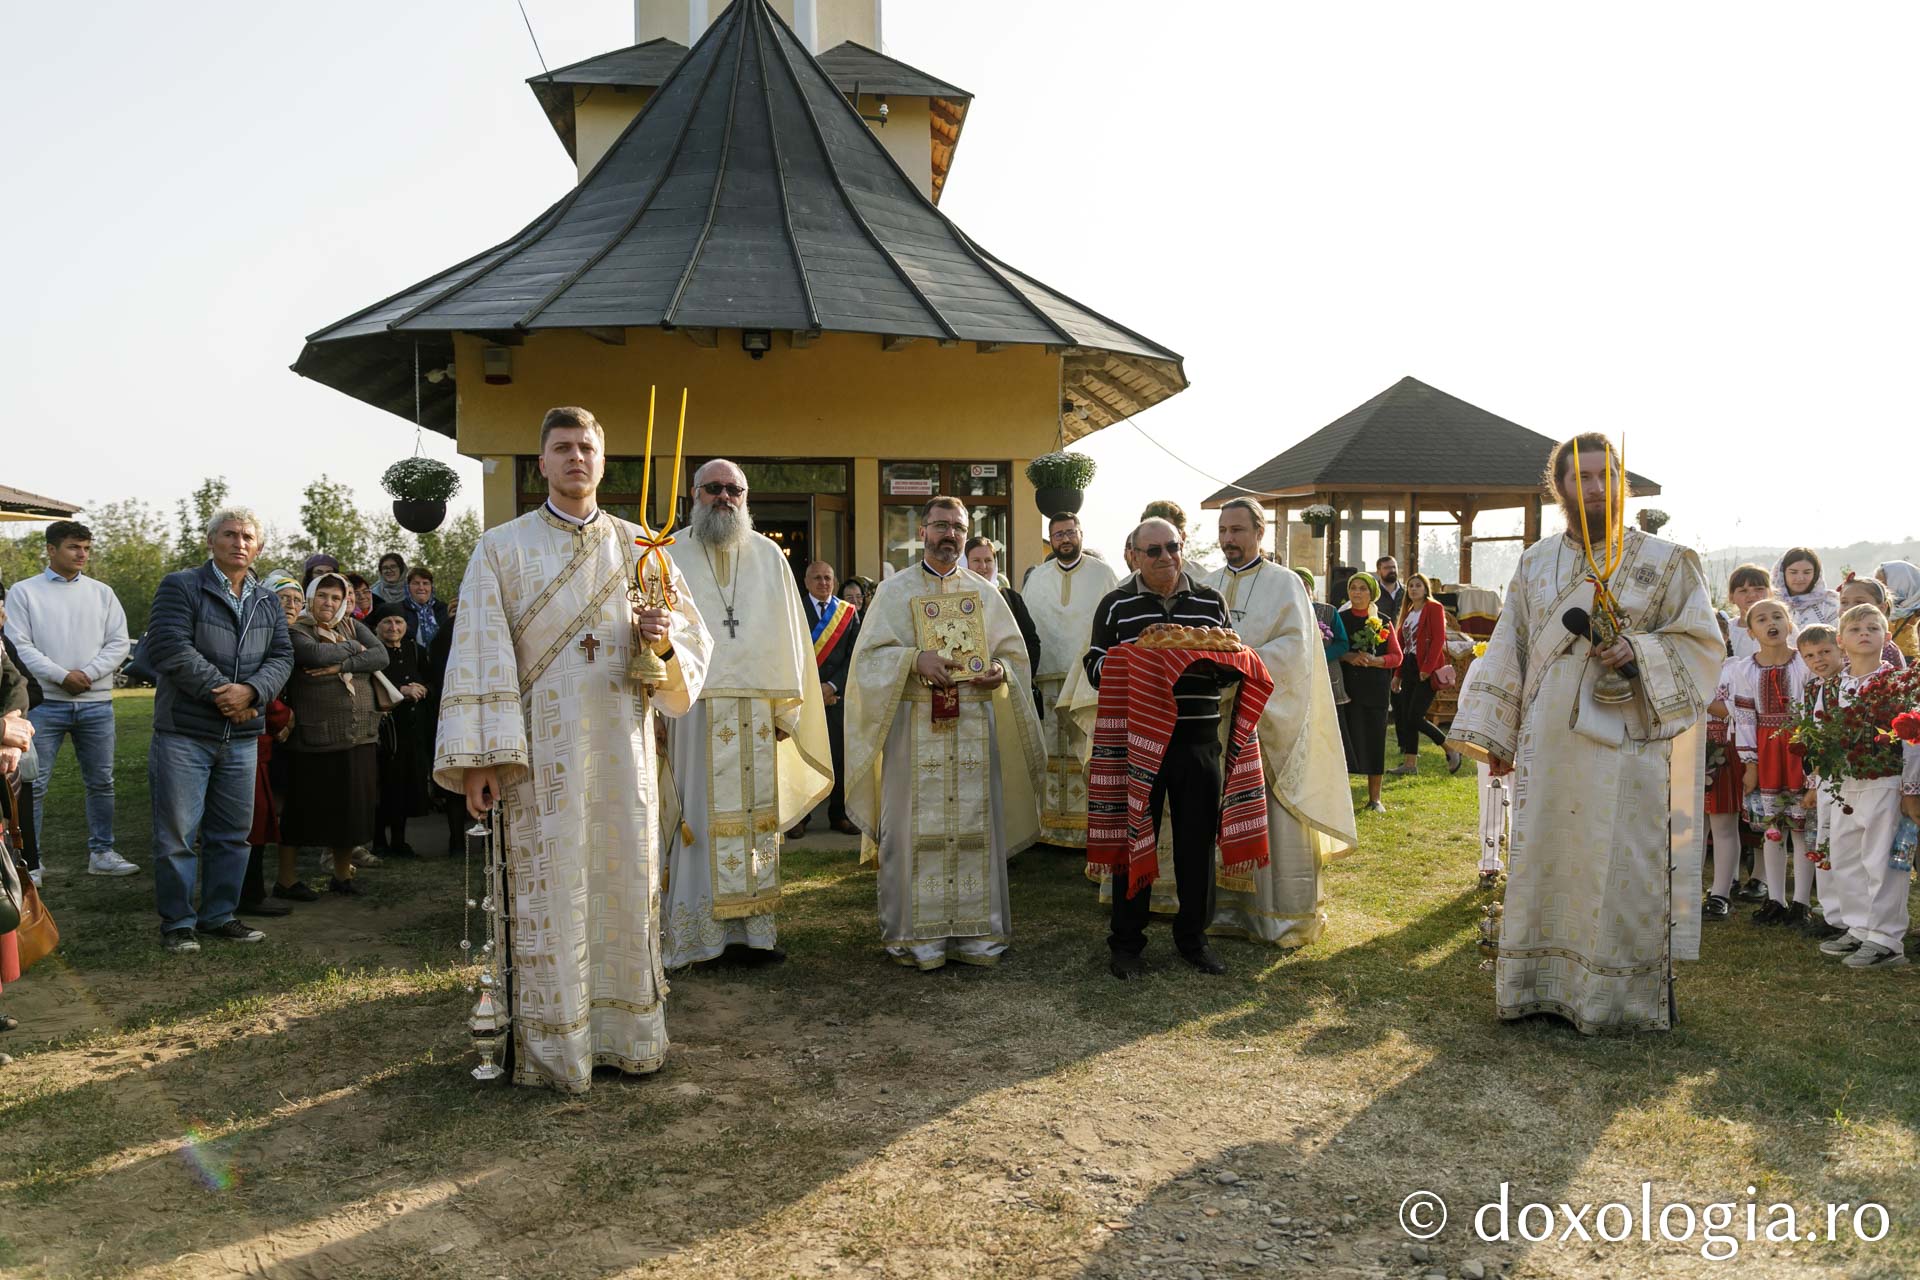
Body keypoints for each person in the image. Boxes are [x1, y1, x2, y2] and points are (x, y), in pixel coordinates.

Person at [434, 406, 712, 1092]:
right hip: (540, 763)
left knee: (624, 888)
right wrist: (481, 760)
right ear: (542, 463)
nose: (576, 458)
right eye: (562, 448)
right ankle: (555, 1046)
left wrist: (661, 636)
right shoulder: (501, 549)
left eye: (587, 446)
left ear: (603, 458)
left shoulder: (642, 547)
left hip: (622, 754)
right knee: (552, 898)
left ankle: (626, 1036)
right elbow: (480, 657)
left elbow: (690, 651)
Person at [1449, 433, 1721, 1033]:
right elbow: (1509, 649)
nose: (1594, 488)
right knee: (1546, 851)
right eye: (1580, 478)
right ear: (1561, 487)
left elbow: (1702, 643)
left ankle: (1617, 998)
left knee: (1620, 855)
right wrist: (1496, 736)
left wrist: (1641, 651)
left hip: (1625, 738)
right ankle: (1536, 989)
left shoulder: (1668, 561)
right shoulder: (1535, 561)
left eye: (1604, 476)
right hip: (1548, 741)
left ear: (1620, 481)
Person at [842, 496, 1043, 970]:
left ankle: (977, 935)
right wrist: (914, 660)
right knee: (913, 830)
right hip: (914, 730)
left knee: (976, 828)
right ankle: (917, 939)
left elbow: (1014, 658)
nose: (948, 534)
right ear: (923, 532)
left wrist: (998, 671)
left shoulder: (985, 593)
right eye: (939, 526)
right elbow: (866, 661)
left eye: (957, 526)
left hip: (974, 726)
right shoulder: (895, 593)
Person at [661, 461, 831, 965]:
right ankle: (699, 939)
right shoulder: (668, 553)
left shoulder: (769, 555)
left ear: (746, 496)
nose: (724, 497)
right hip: (694, 706)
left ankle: (753, 936)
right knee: (696, 815)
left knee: (757, 821)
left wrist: (786, 708)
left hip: (756, 708)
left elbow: (788, 634)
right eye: (713, 488)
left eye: (734, 489)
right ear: (695, 494)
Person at [1079, 517, 1238, 977]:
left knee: (1196, 844)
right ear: (1134, 555)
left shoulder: (1210, 602)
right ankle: (1126, 944)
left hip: (1198, 739)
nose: (1165, 556)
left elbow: (1231, 663)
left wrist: (1213, 666)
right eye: (1154, 550)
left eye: (1172, 546)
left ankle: (1194, 939)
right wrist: (1136, 664)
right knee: (1136, 842)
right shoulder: (1115, 605)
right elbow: (1093, 667)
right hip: (1140, 741)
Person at [1200, 500, 1356, 947]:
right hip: (1215, 722)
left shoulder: (1285, 584)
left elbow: (1297, 651)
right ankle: (1219, 911)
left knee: (1275, 814)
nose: (1229, 539)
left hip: (1264, 725)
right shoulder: (1205, 584)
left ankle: (1276, 917)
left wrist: (1243, 664)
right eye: (1223, 530)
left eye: (1237, 530)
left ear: (1259, 532)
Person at [145, 508, 294, 954]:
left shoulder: (267, 599)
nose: (239, 542)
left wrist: (251, 691)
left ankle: (219, 915)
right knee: (177, 835)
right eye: (229, 534)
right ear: (211, 541)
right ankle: (177, 923)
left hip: (243, 736)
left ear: (259, 548)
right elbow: (168, 646)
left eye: (248, 536)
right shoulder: (181, 585)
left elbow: (282, 657)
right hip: (185, 732)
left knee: (232, 833)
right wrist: (220, 693)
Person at [3, 520, 135, 877]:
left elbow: (119, 642)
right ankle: (31, 860)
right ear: (51, 549)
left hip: (97, 703)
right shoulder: (24, 591)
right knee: (34, 783)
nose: (82, 554)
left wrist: (89, 674)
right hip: (46, 702)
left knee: (101, 781)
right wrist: (62, 676)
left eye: (87, 548)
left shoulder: (103, 593)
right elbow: (19, 646)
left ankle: (102, 853)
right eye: (74, 547)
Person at [281, 573, 388, 895]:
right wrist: (355, 651)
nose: (329, 603)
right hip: (316, 739)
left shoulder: (351, 626)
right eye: (323, 596)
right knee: (303, 811)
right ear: (311, 598)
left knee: (351, 810)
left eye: (336, 598)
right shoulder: (296, 629)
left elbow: (381, 656)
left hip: (359, 735)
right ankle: (286, 881)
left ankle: (342, 877)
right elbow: (314, 655)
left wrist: (342, 664)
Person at [1817, 604, 1911, 969]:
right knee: (1846, 857)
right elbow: (1819, 733)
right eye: (1855, 629)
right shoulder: (1832, 686)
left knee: (1881, 860)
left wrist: (1911, 788)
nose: (1864, 633)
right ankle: (1860, 926)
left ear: (1887, 638)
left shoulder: (1898, 683)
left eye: (1873, 628)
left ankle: (1887, 939)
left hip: (1885, 780)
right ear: (1841, 641)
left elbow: (1911, 737)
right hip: (1843, 784)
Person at [1020, 514, 1118, 850]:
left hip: (1085, 680)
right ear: (1051, 538)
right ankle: (1048, 828)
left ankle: (1089, 828)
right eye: (1058, 533)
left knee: (1084, 747)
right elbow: (1031, 628)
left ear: (1080, 533)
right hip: (1048, 678)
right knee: (1049, 752)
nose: (1065, 538)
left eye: (1070, 532)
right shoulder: (1038, 577)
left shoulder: (1103, 574)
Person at [1728, 599, 1813, 926]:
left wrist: (1813, 760)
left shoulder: (1803, 664)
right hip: (1766, 752)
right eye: (1762, 619)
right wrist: (1750, 764)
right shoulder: (1745, 669)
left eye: (1778, 616)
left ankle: (1801, 902)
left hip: (1799, 751)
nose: (1771, 622)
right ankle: (1775, 898)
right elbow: (1746, 718)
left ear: (1789, 624)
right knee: (1773, 829)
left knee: (1802, 830)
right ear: (1751, 631)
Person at [795, 559, 861, 838]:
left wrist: (832, 685)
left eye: (828, 578)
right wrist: (811, 689)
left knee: (838, 757)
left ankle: (839, 814)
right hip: (803, 696)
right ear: (807, 582)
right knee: (802, 755)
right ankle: (800, 816)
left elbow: (854, 656)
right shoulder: (795, 609)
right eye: (818, 578)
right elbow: (791, 653)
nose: (823, 583)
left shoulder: (847, 612)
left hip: (835, 696)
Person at [1791, 624, 1848, 941]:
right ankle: (1832, 914)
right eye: (1810, 655)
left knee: (1846, 845)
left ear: (1840, 648)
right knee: (1823, 840)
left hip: (1849, 776)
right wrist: (1812, 784)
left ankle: (1852, 915)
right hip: (1824, 778)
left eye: (1825, 652)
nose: (1819, 659)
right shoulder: (1813, 689)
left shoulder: (1849, 684)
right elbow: (1811, 740)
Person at [369, 603, 432, 858]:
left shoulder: (416, 650)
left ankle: (399, 841)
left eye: (398, 622)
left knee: (406, 784)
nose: (393, 628)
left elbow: (432, 680)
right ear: (378, 626)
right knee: (383, 785)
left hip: (412, 730)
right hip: (384, 730)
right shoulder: (373, 652)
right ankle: (378, 842)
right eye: (387, 623)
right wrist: (401, 691)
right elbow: (370, 685)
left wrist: (423, 688)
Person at [1336, 571, 1401, 812]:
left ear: (1371, 593)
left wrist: (1375, 661)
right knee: (1345, 742)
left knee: (1374, 742)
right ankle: (1340, 800)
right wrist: (1350, 656)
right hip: (1347, 689)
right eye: (1354, 588)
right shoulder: (1339, 619)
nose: (1357, 592)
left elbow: (1397, 656)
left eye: (1363, 588)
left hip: (1375, 690)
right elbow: (1332, 648)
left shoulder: (1382, 620)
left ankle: (1375, 799)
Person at [1388, 572, 1462, 776]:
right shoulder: (1409, 611)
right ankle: (1410, 765)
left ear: (1425, 588)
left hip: (1426, 668)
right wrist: (1397, 674)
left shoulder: (1434, 607)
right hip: (1409, 665)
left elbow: (1438, 640)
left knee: (1415, 716)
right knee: (1406, 716)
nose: (1413, 589)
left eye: (1418, 585)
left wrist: (1427, 669)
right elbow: (1402, 644)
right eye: (1410, 586)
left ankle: (1450, 749)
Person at [965, 536, 1042, 704]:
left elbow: (1030, 642)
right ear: (965, 564)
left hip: (1006, 689)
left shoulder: (1011, 598)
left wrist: (1017, 677)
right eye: (976, 560)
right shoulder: (955, 599)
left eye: (988, 560)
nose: (983, 567)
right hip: (967, 690)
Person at [420, 596, 466, 857]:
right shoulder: (448, 632)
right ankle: (459, 841)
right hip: (456, 714)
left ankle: (458, 842)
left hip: (452, 715)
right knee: (457, 783)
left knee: (458, 783)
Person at [1838, 576, 1906, 669]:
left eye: (1859, 602)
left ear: (1882, 608)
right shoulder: (1839, 639)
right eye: (1844, 602)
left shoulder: (1883, 648)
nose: (1850, 607)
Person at [1772, 548, 1839, 629]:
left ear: (1816, 574)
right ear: (1782, 574)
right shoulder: (1770, 604)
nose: (1800, 578)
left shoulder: (1830, 606)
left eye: (1807, 572)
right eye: (1793, 572)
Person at [1875, 560, 1920, 663]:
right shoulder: (1883, 615)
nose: (1880, 592)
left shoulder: (1917, 615)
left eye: (1884, 585)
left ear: (1902, 583)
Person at [402, 567, 448, 650]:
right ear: (408, 587)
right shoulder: (399, 610)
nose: (421, 587)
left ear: (431, 587)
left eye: (425, 583)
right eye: (416, 583)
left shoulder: (443, 609)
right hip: (413, 659)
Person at [1374, 555, 1405, 621]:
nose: (1392, 570)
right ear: (1378, 572)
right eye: (1387, 568)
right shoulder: (1373, 593)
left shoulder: (1407, 592)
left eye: (1394, 567)